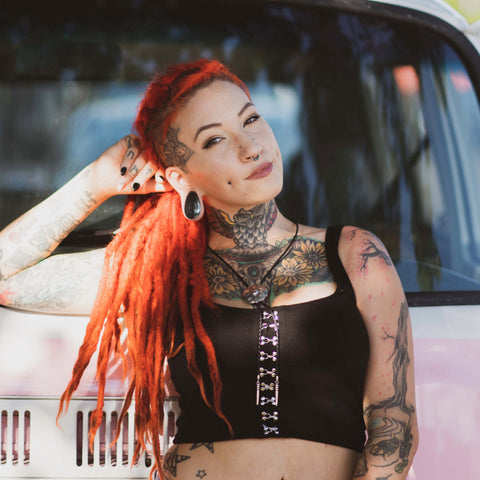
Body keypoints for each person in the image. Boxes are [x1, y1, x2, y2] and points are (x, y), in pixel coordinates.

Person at [0, 59, 418, 480]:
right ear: (183, 179)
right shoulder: (163, 271)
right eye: (216, 140)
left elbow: (393, 425)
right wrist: (94, 183)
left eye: (251, 119)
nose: (250, 146)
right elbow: (6, 277)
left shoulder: (355, 255)